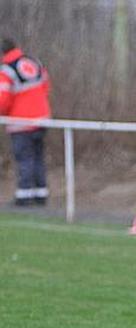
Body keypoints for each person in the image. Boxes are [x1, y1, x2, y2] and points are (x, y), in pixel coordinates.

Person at [0, 38, 52, 206]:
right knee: (37, 157)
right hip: (42, 119)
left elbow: (3, 99)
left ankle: (24, 196)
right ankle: (40, 193)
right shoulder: (34, 62)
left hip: (21, 121)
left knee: (24, 158)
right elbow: (45, 86)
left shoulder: (7, 71)